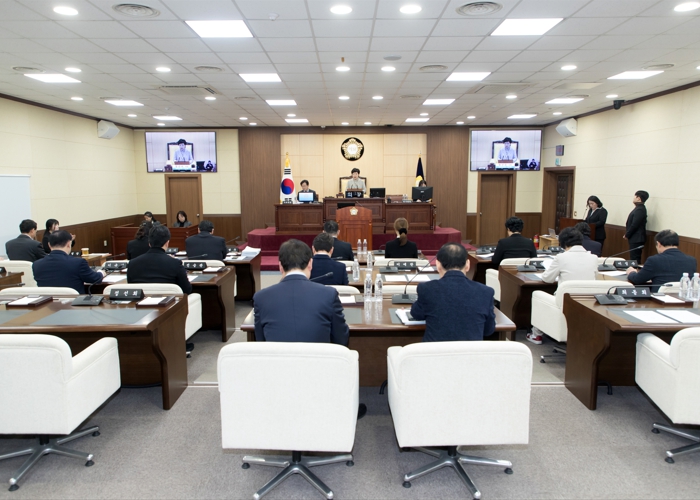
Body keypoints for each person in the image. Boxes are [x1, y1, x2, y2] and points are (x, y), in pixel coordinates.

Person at [254, 239, 348, 344]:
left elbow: (260, 341)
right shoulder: (329, 295)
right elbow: (341, 338)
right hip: (318, 355)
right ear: (310, 263)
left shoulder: (261, 297)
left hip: (277, 355)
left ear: (280, 266)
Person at [410, 242, 495, 342]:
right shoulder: (486, 292)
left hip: (435, 351)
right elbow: (488, 330)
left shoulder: (427, 289)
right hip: (470, 352)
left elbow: (416, 314)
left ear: (438, 265)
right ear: (467, 265)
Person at [127, 224, 192, 294]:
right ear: (167, 243)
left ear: (149, 243)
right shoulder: (175, 263)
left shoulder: (132, 263)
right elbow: (187, 289)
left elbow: (131, 288)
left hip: (142, 300)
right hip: (169, 300)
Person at [33, 230, 104, 293]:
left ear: (49, 245)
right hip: (74, 303)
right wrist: (101, 272)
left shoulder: (36, 265)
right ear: (69, 244)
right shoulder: (78, 263)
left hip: (48, 303)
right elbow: (95, 279)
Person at [626, 230, 697, 291]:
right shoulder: (692, 260)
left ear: (658, 244)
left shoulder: (654, 260)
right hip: (683, 299)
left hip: (658, 299)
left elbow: (637, 279)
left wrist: (631, 272)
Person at [625, 190, 648, 263]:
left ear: (638, 198)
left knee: (635, 259)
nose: (633, 198)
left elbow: (635, 224)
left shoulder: (640, 209)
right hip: (635, 238)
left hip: (637, 238)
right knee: (633, 258)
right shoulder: (638, 208)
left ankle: (635, 270)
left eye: (635, 196)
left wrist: (627, 234)